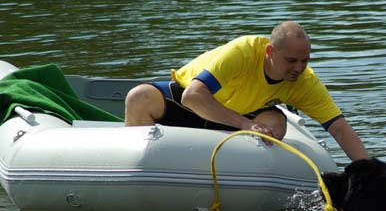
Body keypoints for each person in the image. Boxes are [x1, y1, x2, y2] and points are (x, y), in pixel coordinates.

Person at [124, 21, 368, 161]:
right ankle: (140, 168)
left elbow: (338, 128)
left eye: (305, 60)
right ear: (270, 52)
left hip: (235, 124)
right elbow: (193, 96)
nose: (299, 68)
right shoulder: (243, 52)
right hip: (191, 105)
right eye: (291, 60)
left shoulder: (304, 81)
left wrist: (372, 171)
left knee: (275, 124)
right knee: (138, 97)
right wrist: (244, 124)